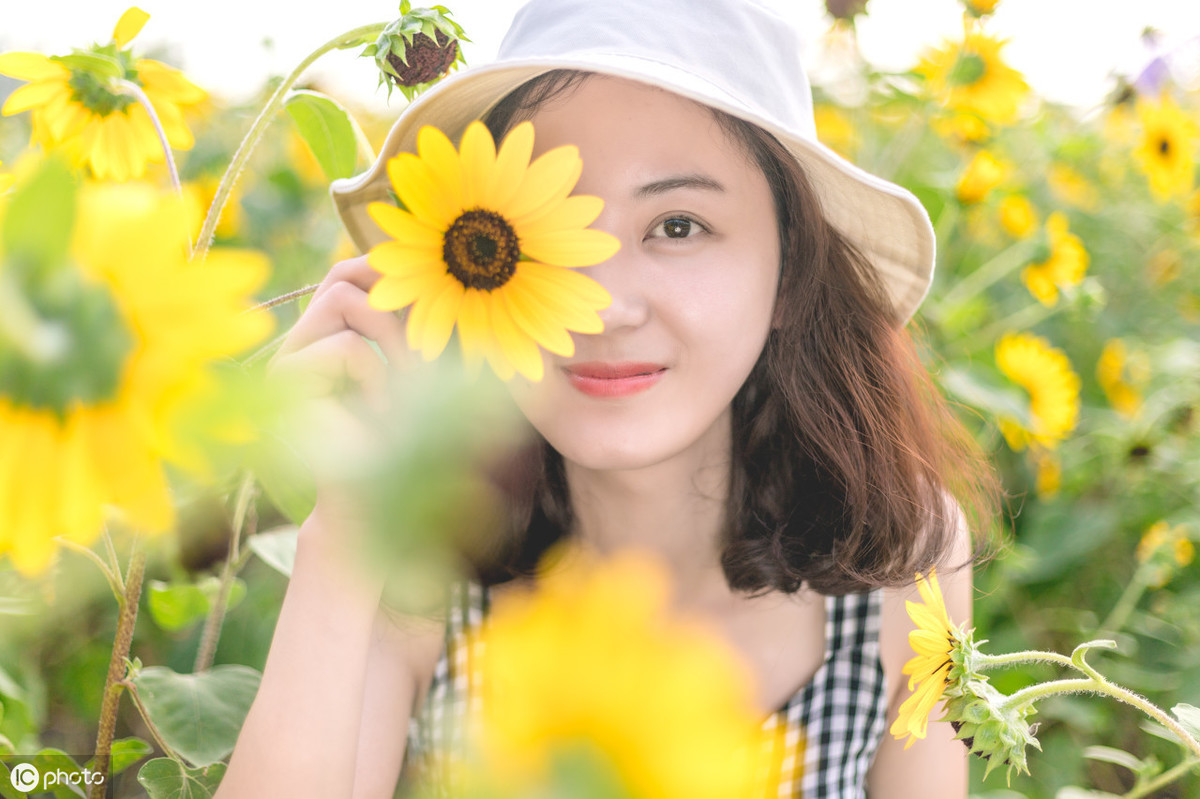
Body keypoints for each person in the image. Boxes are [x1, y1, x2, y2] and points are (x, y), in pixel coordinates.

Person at [216, 0, 998, 797]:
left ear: (792, 270)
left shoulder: (904, 569)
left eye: (680, 225)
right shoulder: (426, 574)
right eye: (543, 230)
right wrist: (348, 532)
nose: (604, 304)